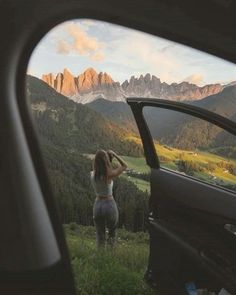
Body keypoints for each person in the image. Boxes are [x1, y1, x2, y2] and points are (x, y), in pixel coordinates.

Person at [90, 149, 127, 248]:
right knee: (112, 232)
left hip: (97, 204)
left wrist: (105, 158)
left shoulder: (92, 175)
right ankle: (111, 256)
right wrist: (115, 154)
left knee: (100, 234)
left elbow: (99, 166)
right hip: (109, 203)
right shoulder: (109, 175)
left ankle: (100, 256)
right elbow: (124, 166)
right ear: (106, 161)